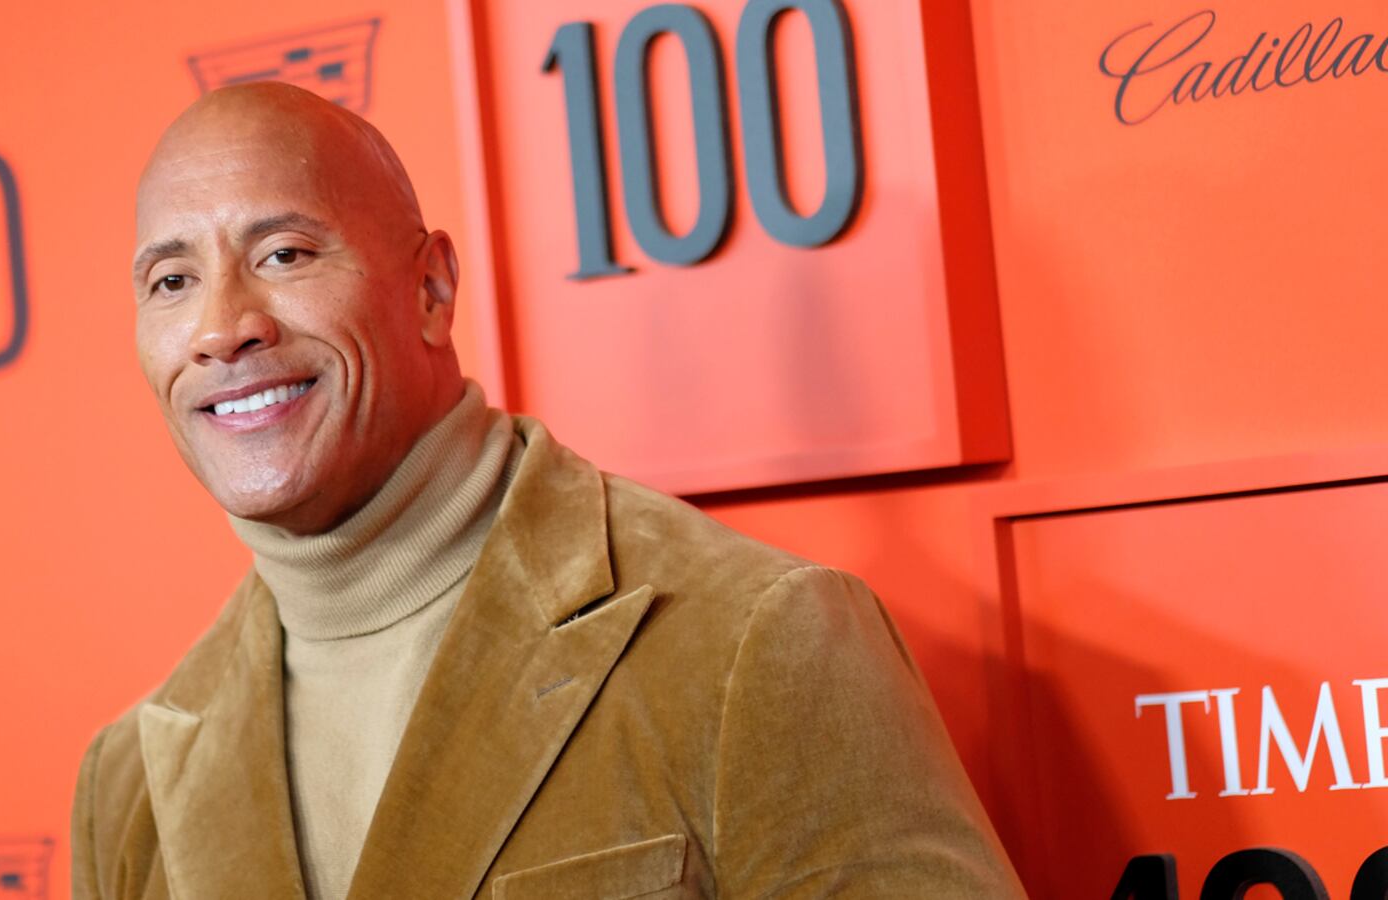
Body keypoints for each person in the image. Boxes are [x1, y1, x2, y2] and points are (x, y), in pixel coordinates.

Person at [71, 80, 1027, 899]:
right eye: (170, 281)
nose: (220, 326)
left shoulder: (758, 639)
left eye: (284, 254)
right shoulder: (129, 784)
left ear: (431, 290)